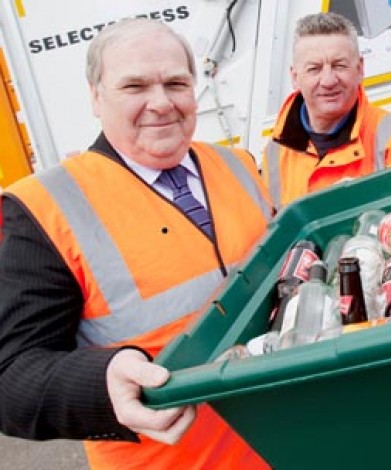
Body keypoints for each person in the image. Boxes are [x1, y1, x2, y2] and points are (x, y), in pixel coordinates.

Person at [0, 19, 273, 469]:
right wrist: (102, 382)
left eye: (176, 83)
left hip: (286, 444)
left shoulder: (239, 165)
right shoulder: (44, 208)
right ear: (96, 96)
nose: (161, 103)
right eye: (135, 86)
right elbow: (11, 377)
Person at [261, 12, 391, 210]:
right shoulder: (275, 153)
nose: (328, 81)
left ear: (359, 69)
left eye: (339, 65)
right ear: (294, 76)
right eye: (314, 69)